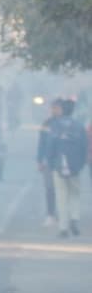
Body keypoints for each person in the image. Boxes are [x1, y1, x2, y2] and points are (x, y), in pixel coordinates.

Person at [46, 98, 87, 238]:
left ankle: (63, 228)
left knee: (61, 197)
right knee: (75, 194)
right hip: (75, 166)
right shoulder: (79, 126)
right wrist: (80, 164)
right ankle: (74, 218)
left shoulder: (55, 125)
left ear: (62, 110)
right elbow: (84, 147)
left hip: (59, 165)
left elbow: (50, 145)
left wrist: (50, 164)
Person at [36, 98, 61, 227]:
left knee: (63, 190)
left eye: (56, 108)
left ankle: (63, 215)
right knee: (50, 189)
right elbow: (41, 143)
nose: (54, 110)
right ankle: (50, 215)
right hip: (48, 162)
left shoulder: (67, 123)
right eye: (52, 108)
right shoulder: (47, 123)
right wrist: (39, 160)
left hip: (62, 162)